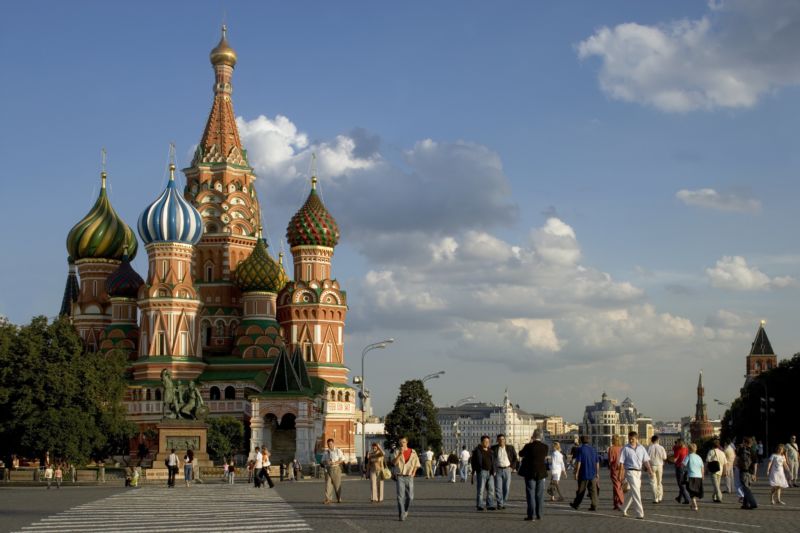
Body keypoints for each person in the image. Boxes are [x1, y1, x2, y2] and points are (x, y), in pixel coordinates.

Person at [619, 431, 652, 519]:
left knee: (633, 492)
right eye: (629, 439)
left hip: (639, 472)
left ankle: (623, 507)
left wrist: (650, 471)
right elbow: (621, 462)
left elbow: (646, 461)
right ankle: (640, 513)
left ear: (636, 439)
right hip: (630, 471)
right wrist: (621, 474)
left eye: (632, 439)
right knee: (637, 492)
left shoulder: (642, 448)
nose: (630, 440)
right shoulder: (625, 448)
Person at [519, 429, 548, 521]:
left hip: (530, 472)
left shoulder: (528, 446)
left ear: (533, 436)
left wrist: (530, 442)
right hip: (541, 473)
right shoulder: (545, 447)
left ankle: (531, 515)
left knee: (530, 494)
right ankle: (540, 514)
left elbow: (520, 454)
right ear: (541, 436)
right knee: (540, 495)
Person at [393, 436, 420, 521]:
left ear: (407, 442)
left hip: (409, 476)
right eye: (400, 442)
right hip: (400, 476)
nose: (402, 444)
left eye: (403, 442)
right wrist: (400, 453)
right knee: (400, 496)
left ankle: (405, 510)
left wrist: (414, 472)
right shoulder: (396, 451)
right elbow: (394, 463)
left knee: (410, 497)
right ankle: (401, 514)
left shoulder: (413, 452)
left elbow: (416, 463)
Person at [570, 435, 599, 512]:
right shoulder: (593, 449)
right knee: (593, 490)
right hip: (592, 473)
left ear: (581, 441)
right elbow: (597, 462)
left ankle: (576, 504)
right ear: (588, 441)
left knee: (581, 490)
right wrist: (597, 472)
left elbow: (579, 462)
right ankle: (594, 505)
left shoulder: (580, 449)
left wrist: (576, 472)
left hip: (583, 473)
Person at [491, 434, 518, 510]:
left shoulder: (510, 448)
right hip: (498, 470)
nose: (501, 441)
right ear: (497, 440)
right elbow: (491, 459)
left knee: (506, 488)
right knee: (498, 488)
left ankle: (503, 500)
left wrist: (512, 467)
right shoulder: (494, 448)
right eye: (499, 439)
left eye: (503, 439)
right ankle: (500, 504)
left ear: (505, 440)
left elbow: (515, 458)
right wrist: (493, 469)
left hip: (507, 469)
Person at [471, 436, 496, 511]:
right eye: (485, 441)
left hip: (490, 472)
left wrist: (493, 470)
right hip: (482, 472)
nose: (487, 443)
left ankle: (490, 504)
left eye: (488, 441)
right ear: (482, 442)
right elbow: (473, 461)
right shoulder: (477, 451)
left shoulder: (491, 451)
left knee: (491, 489)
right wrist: (476, 470)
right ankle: (480, 505)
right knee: (481, 489)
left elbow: (493, 461)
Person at [737, 437, 758, 510]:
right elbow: (755, 463)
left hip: (743, 471)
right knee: (747, 487)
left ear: (745, 443)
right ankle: (745, 504)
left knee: (746, 488)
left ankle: (753, 503)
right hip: (750, 472)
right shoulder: (753, 451)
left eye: (743, 442)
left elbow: (737, 459)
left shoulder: (742, 450)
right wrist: (754, 474)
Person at [321, 438, 344, 504]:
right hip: (328, 469)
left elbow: (342, 459)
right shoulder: (326, 452)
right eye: (328, 444)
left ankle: (339, 498)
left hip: (336, 468)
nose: (329, 445)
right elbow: (322, 461)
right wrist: (326, 461)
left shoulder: (337, 450)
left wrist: (335, 462)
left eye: (331, 444)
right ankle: (328, 499)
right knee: (328, 485)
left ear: (333, 443)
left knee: (337, 484)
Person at [647, 435, 667, 504]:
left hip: (652, 466)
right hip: (660, 465)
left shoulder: (650, 447)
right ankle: (660, 496)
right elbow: (664, 457)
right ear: (658, 440)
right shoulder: (661, 447)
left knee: (653, 482)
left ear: (652, 440)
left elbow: (647, 458)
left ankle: (655, 498)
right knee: (659, 482)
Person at [685, 443, 704, 511]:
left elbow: (683, 464)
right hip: (699, 476)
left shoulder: (689, 456)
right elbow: (702, 467)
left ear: (689, 449)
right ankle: (692, 503)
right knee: (695, 491)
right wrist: (703, 476)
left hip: (691, 476)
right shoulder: (699, 457)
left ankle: (695, 505)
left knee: (690, 491)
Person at [671, 439, 690, 504]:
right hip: (686, 467)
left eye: (677, 443)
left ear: (679, 443)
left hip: (679, 467)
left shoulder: (678, 450)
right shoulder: (686, 449)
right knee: (683, 483)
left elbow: (675, 460)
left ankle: (687, 498)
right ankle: (679, 497)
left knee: (680, 484)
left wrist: (669, 460)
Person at [608, 435, 624, 510]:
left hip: (615, 469)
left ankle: (622, 502)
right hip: (622, 469)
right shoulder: (622, 448)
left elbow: (610, 460)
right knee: (617, 486)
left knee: (617, 486)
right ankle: (616, 503)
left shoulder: (611, 448)